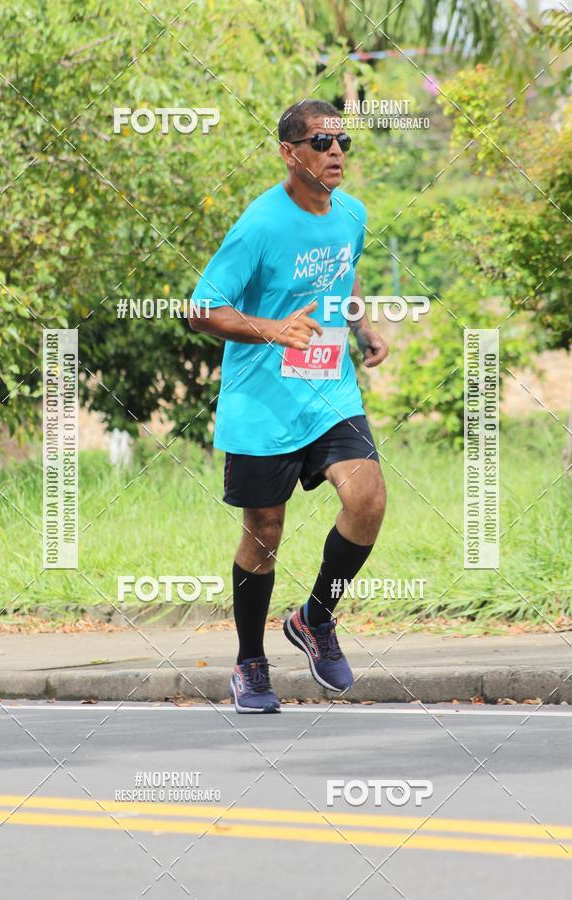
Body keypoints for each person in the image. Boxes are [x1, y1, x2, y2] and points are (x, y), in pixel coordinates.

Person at [190, 99, 388, 713]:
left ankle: (315, 618)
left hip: (330, 391)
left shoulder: (351, 214)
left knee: (368, 499)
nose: (335, 153)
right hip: (262, 403)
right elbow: (200, 311)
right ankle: (250, 662)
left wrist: (361, 328)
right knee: (264, 531)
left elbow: (345, 274)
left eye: (343, 142)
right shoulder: (259, 225)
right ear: (289, 151)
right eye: (321, 143)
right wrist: (273, 329)